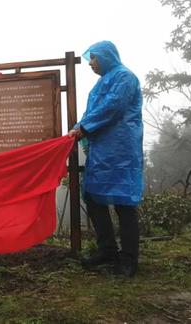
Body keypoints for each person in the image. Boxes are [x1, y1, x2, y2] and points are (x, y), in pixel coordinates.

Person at [68, 41, 144, 277]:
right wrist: (79, 127)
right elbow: (92, 112)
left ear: (107, 57)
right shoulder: (103, 82)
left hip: (121, 150)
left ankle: (129, 259)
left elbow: (113, 107)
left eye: (94, 58)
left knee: (124, 203)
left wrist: (84, 128)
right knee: (93, 198)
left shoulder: (124, 77)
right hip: (101, 150)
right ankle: (107, 250)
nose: (90, 63)